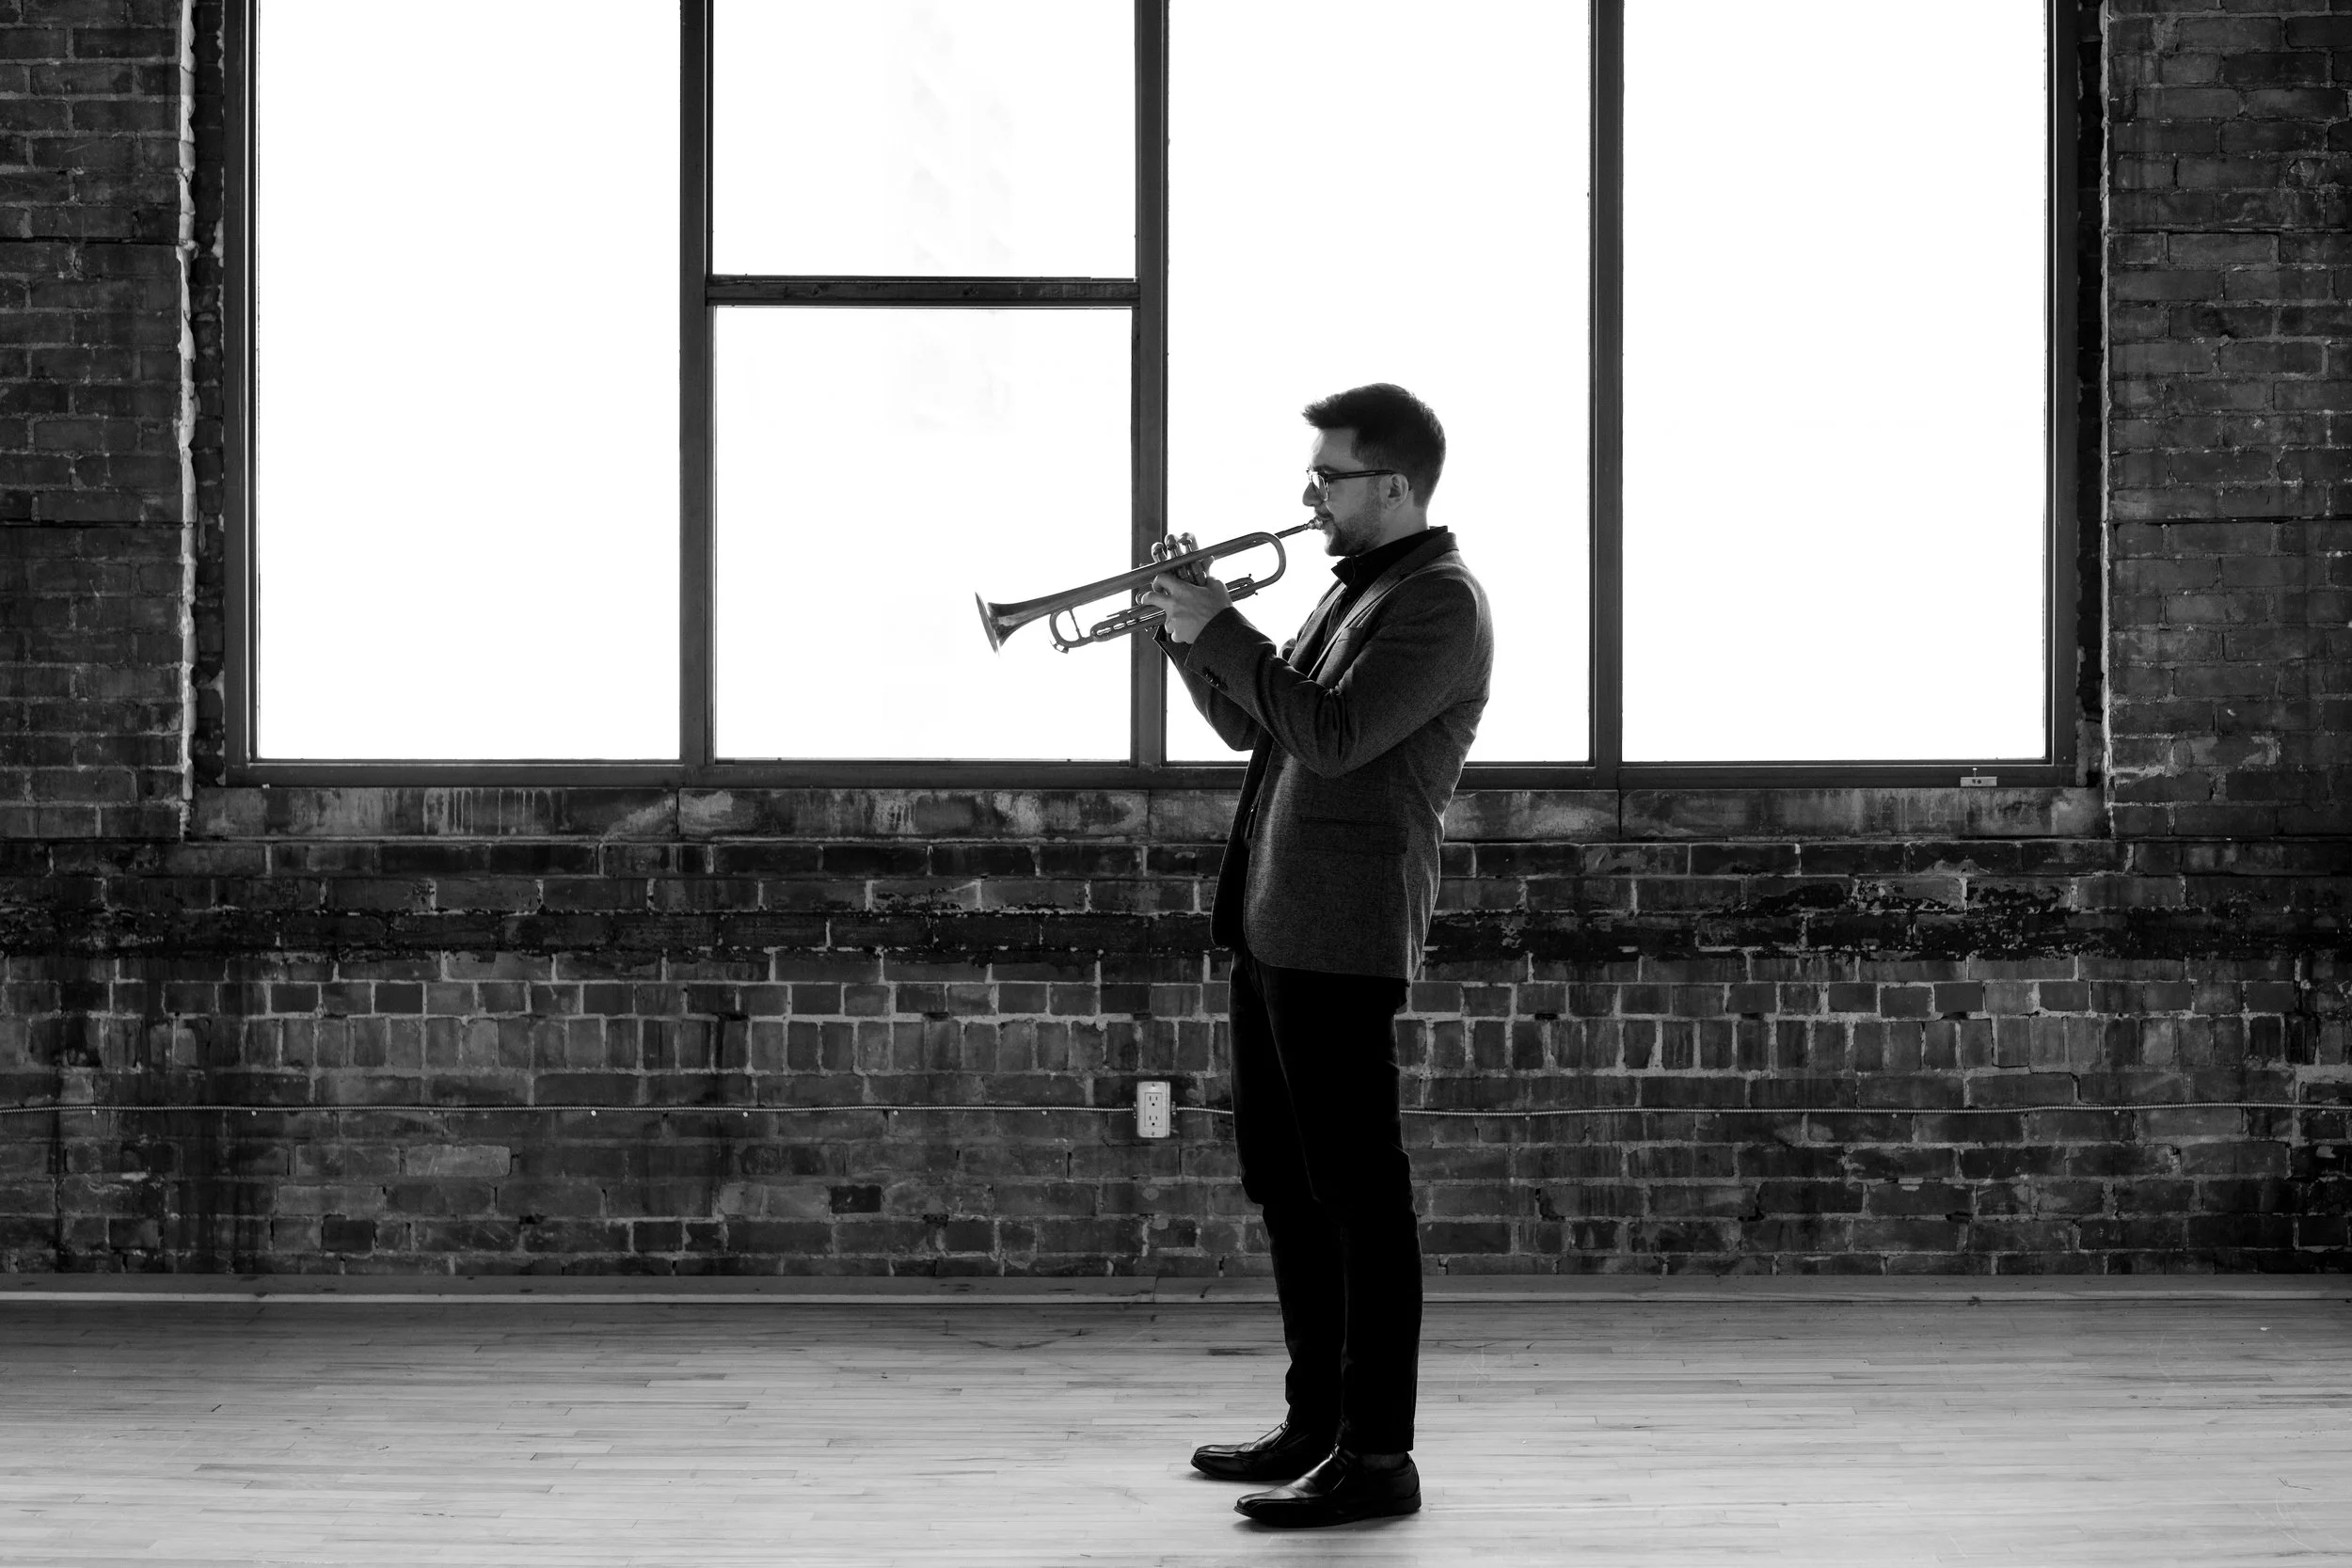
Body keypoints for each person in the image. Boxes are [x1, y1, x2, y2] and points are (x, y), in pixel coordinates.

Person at [1138, 382, 1492, 1529]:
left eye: (1327, 477)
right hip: (1274, 921)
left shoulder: (1436, 603)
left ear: (1394, 483)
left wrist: (1222, 628)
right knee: (1288, 1186)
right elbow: (1259, 722)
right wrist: (1186, 634)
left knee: (1358, 1195)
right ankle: (1313, 1421)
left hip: (1339, 932)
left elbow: (1335, 738)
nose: (1307, 497)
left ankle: (1376, 1453)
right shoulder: (1356, 591)